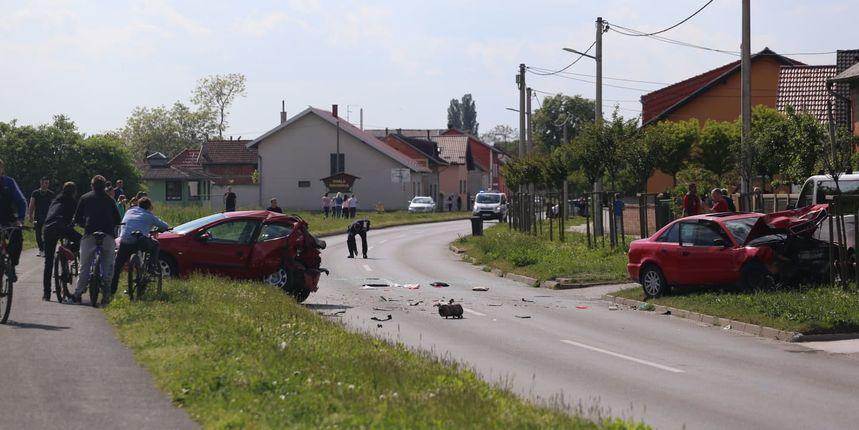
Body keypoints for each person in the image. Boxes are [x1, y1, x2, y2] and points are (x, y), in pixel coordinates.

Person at [69, 175, 121, 305]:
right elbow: (118, 220)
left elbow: (77, 217)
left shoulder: (85, 198)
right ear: (104, 187)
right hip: (107, 234)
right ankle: (106, 293)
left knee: (85, 265)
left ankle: (78, 293)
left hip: (90, 233)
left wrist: (82, 224)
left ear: (92, 185)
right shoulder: (110, 200)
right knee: (108, 264)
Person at [110, 197, 169, 296]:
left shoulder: (129, 211)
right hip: (139, 240)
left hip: (124, 240)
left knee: (117, 266)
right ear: (149, 207)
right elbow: (164, 225)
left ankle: (111, 290)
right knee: (155, 244)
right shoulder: (149, 215)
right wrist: (166, 228)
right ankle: (151, 266)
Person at [42, 182, 81, 301]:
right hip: (61, 227)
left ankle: (46, 294)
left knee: (48, 263)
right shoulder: (73, 201)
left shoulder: (55, 200)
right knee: (81, 240)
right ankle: (69, 251)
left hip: (48, 228)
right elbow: (77, 218)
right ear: (74, 192)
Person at [0, 159, 26, 282]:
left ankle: (11, 265)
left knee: (17, 237)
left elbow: (21, 201)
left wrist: (20, 218)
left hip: (8, 218)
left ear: (2, 169)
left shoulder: (9, 182)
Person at [28, 177, 54, 257]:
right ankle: (41, 249)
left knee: (47, 233)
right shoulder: (35, 193)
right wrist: (30, 215)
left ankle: (46, 248)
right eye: (44, 183)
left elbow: (54, 205)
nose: (46, 185)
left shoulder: (51, 194)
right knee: (38, 234)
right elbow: (32, 204)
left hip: (48, 216)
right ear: (41, 183)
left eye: (47, 183)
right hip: (38, 216)